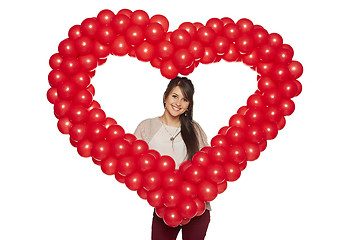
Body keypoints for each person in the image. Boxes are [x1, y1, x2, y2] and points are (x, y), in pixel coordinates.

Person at [134, 76, 211, 240]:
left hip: (196, 207)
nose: (178, 103)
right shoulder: (147, 127)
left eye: (185, 99)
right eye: (175, 96)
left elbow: (208, 165)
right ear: (165, 96)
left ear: (189, 104)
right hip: (164, 207)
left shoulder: (194, 129)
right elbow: (134, 164)